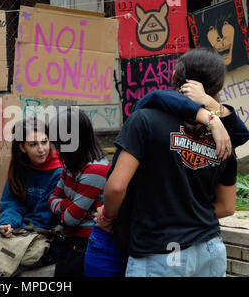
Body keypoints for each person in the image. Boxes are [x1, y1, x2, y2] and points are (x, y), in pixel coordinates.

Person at [101, 48, 245, 277]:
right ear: (218, 85)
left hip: (160, 253)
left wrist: (108, 216)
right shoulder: (223, 139)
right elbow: (227, 206)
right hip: (209, 250)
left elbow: (117, 187)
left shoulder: (145, 119)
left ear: (175, 78)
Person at [0, 117, 63, 277]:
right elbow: (11, 201)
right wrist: (7, 223)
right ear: (22, 147)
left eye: (44, 142)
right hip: (20, 234)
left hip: (44, 240)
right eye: (33, 144)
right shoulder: (20, 168)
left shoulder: (58, 172)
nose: (42, 149)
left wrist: (18, 231)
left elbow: (44, 217)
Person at [48, 108, 121, 277]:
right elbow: (51, 199)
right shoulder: (72, 165)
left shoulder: (96, 169)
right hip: (69, 242)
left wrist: (64, 205)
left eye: (59, 143)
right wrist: (69, 205)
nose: (57, 149)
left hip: (84, 245)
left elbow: (70, 219)